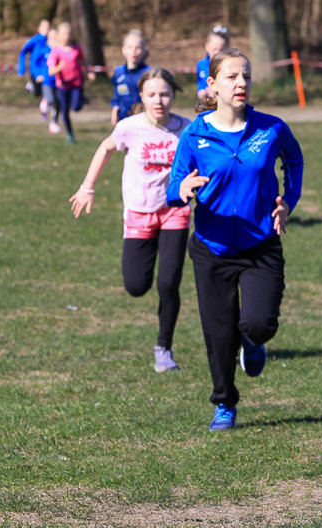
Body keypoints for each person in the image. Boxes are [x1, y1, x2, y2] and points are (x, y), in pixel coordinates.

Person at [167, 48, 303, 431]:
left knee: (259, 324)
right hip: (211, 249)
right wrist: (182, 190)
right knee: (219, 334)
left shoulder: (271, 128)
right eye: (231, 77)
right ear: (212, 84)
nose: (241, 83)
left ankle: (254, 342)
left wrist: (288, 201)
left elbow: (294, 160)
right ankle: (224, 402)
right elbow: (173, 186)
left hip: (261, 245)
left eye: (246, 76)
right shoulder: (195, 134)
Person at [70, 69, 191, 374]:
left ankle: (164, 347)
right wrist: (87, 186)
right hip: (139, 212)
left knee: (169, 282)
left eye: (164, 94)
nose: (159, 100)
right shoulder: (129, 127)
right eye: (152, 95)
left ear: (173, 96)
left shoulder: (187, 130)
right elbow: (106, 147)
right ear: (142, 97)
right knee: (136, 285)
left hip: (175, 211)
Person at [48, 21, 95, 144]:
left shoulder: (76, 49)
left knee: (76, 107)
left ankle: (81, 99)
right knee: (65, 111)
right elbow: (51, 71)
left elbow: (83, 62)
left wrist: (89, 72)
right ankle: (70, 134)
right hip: (62, 85)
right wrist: (59, 67)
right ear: (58, 35)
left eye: (69, 34)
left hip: (77, 84)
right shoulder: (56, 51)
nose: (67, 36)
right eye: (64, 34)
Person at [110, 29, 150, 124]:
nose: (134, 51)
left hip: (143, 120)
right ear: (123, 49)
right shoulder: (118, 72)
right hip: (123, 119)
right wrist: (115, 108)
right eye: (130, 47)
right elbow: (116, 94)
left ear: (144, 51)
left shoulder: (149, 73)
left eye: (138, 47)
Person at [17, 19, 51, 118]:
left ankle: (46, 113)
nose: (47, 29)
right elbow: (23, 51)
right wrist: (21, 69)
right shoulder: (36, 39)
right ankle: (31, 85)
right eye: (45, 27)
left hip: (46, 71)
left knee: (47, 93)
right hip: (36, 71)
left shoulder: (50, 40)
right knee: (37, 93)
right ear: (39, 28)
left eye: (48, 27)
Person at [196, 25, 230, 102]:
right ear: (207, 46)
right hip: (207, 104)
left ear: (227, 48)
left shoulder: (229, 66)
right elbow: (200, 85)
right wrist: (202, 92)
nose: (217, 53)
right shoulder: (201, 65)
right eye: (214, 49)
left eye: (221, 50)